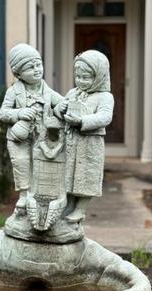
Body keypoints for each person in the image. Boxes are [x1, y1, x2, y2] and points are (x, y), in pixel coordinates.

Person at [0, 43, 63, 210]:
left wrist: (63, 107)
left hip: (41, 136)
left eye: (38, 65)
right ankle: (23, 194)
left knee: (39, 165)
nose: (37, 70)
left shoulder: (46, 91)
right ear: (18, 73)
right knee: (21, 162)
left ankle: (38, 195)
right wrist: (19, 113)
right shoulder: (13, 91)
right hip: (19, 137)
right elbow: (3, 113)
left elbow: (61, 103)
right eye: (30, 67)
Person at [57, 50, 114, 222]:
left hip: (89, 143)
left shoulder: (105, 97)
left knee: (86, 176)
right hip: (71, 142)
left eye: (86, 77)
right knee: (70, 175)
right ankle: (68, 204)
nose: (81, 81)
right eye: (78, 76)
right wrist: (59, 109)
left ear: (98, 77)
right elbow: (60, 109)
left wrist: (82, 121)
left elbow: (105, 117)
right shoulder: (72, 93)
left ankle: (80, 209)